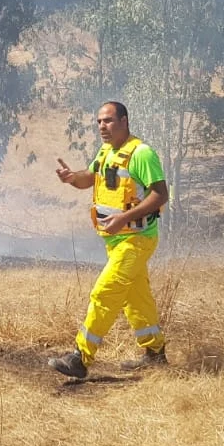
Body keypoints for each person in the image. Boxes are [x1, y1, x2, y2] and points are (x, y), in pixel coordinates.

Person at [48, 101, 170, 379]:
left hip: (137, 240)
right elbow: (89, 177)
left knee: (104, 292)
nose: (103, 126)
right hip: (116, 242)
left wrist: (125, 219)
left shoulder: (142, 154)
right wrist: (71, 178)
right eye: (99, 122)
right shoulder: (105, 152)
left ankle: (80, 357)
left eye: (109, 120)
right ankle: (155, 354)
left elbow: (160, 195)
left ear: (125, 121)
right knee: (136, 299)